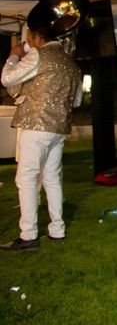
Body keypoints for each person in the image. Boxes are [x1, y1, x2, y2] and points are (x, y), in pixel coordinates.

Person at [0, 24, 82, 251]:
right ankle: (57, 229)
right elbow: (76, 101)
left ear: (36, 38)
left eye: (28, 40)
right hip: (59, 127)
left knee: (26, 179)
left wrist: (14, 56)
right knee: (52, 178)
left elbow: (7, 78)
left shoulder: (38, 54)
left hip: (36, 125)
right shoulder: (70, 62)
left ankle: (28, 235)